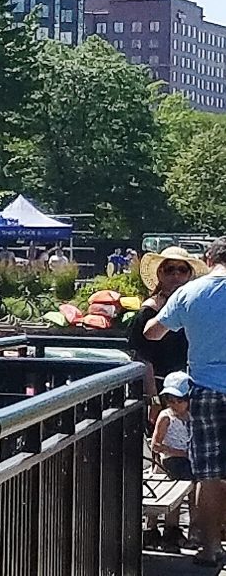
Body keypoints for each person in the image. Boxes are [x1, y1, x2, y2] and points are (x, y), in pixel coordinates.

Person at [144, 236, 226, 567]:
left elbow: (152, 332)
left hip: (205, 390)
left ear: (207, 259)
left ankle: (209, 549)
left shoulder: (190, 292)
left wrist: (156, 312)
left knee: (209, 473)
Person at [127, 246, 204, 399]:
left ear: (189, 275)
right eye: (170, 269)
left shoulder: (195, 307)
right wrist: (152, 397)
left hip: (189, 387)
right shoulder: (149, 311)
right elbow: (143, 358)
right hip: (160, 388)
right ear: (160, 273)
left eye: (182, 270)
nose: (176, 274)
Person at [150, 372, 196, 551]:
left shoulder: (192, 416)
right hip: (171, 459)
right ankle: (170, 530)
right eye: (171, 400)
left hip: (188, 458)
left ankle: (193, 530)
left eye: (180, 400)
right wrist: (179, 452)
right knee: (181, 483)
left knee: (197, 487)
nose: (175, 404)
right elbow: (156, 445)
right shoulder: (166, 416)